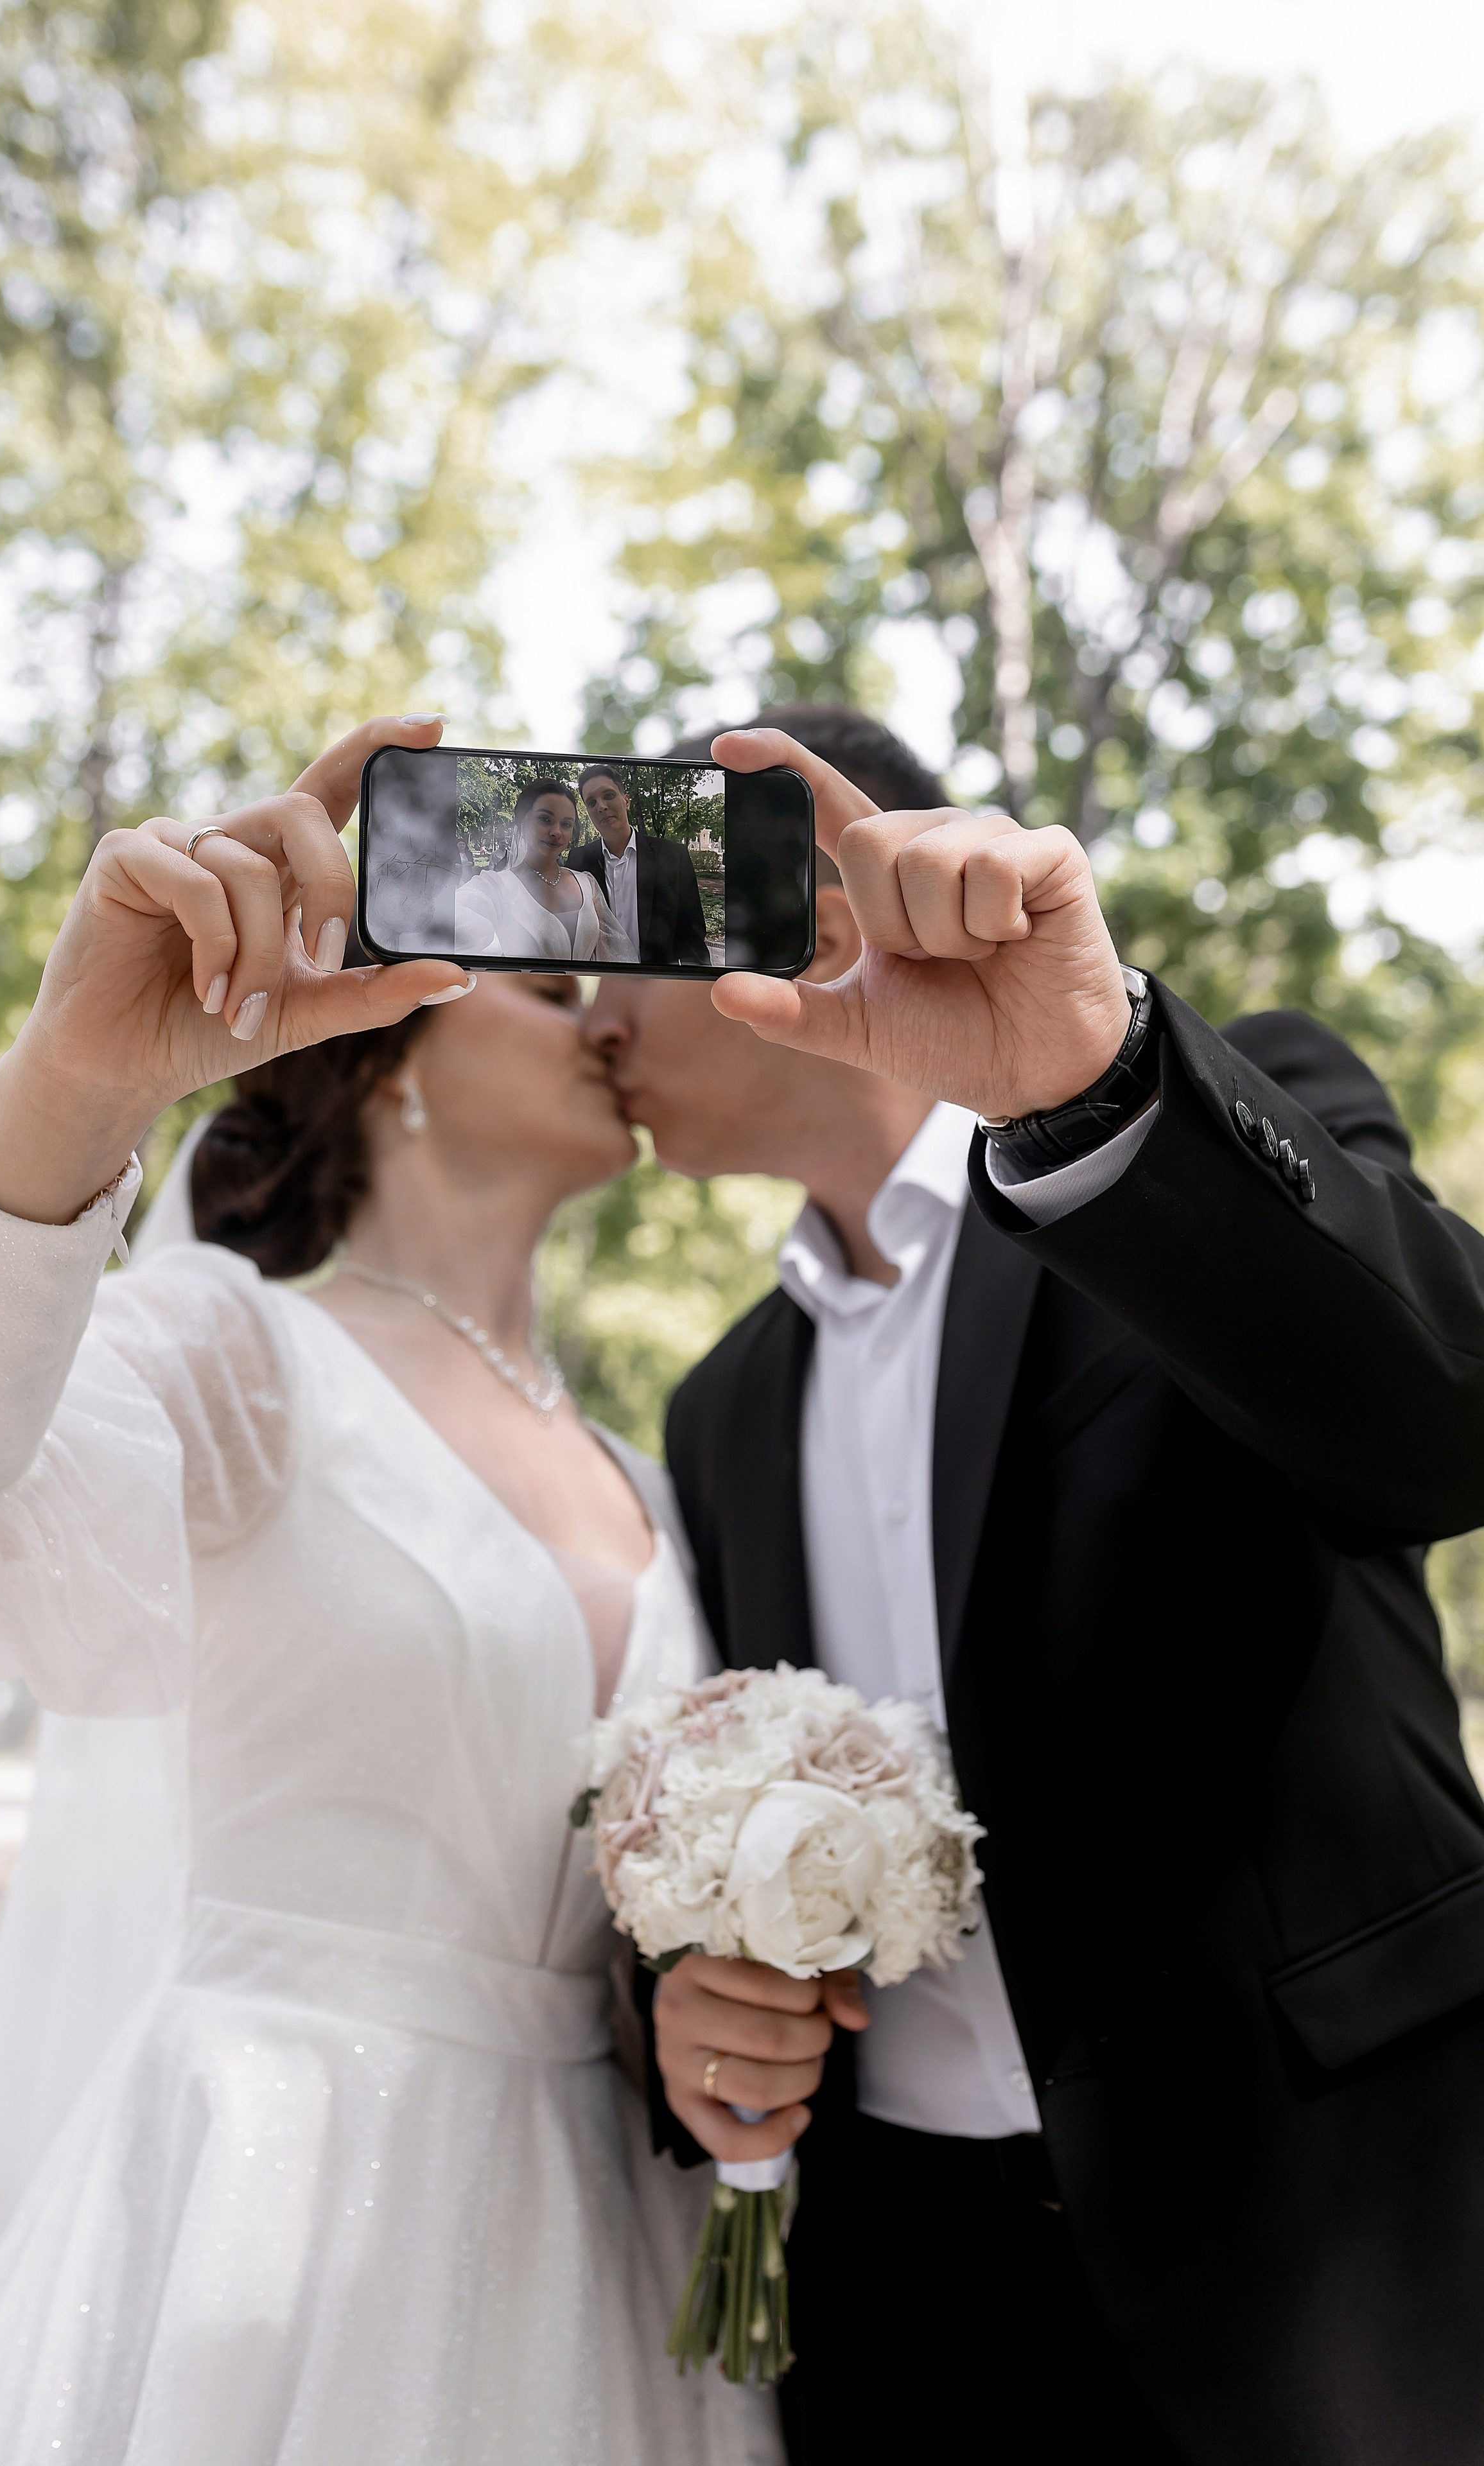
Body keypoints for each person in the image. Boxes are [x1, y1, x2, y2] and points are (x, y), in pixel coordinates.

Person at [0, 718, 776, 2466]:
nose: (603, 1015)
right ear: (387, 1049)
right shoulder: (244, 1353)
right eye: (545, 983)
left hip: (595, 2248)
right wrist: (79, 1079)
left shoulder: (655, 1475)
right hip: (265, 2205)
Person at [586, 707, 1484, 2466]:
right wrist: (696, 1997)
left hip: (1325, 2263)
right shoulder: (719, 1408)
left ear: (814, 918)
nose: (590, 1018)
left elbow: (1443, 1435)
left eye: (625, 954)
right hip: (918, 2310)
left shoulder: (1174, 1141)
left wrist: (1087, 1073)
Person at [456, 778, 635, 963]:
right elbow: (452, 918)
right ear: (523, 821)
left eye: (566, 824)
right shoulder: (495, 886)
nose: (556, 832)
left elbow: (608, 954)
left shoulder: (588, 884)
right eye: (545, 819)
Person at [566, 765, 711, 968]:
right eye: (592, 802)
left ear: (626, 800)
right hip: (601, 980)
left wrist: (695, 982)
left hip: (657, 981)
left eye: (608, 795)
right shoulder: (578, 861)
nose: (601, 806)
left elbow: (692, 935)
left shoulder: (672, 856)